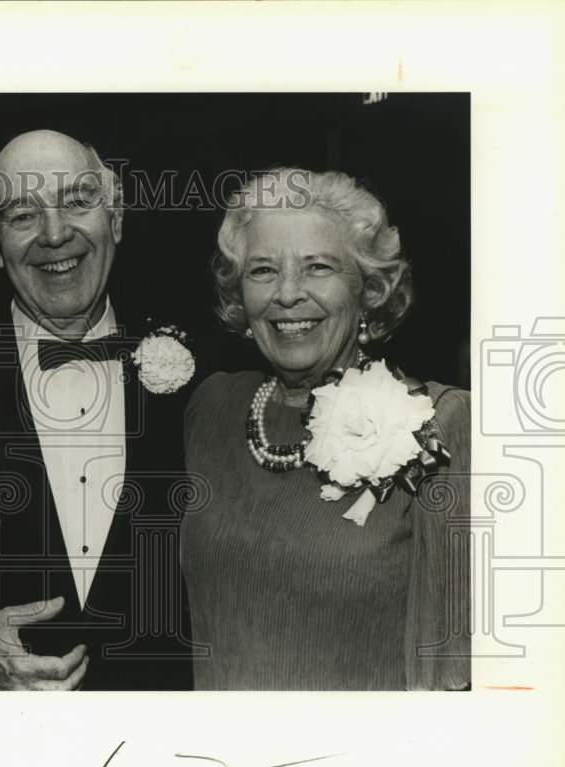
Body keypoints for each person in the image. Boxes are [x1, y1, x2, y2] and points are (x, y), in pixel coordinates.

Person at [0, 129, 198, 690]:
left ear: (116, 217)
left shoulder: (203, 366)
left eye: (78, 202)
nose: (56, 235)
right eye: (24, 215)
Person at [182, 168, 470, 691]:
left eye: (318, 267)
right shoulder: (212, 408)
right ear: (239, 295)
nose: (287, 294)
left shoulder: (441, 422)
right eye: (263, 270)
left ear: (368, 289)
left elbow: (451, 673)